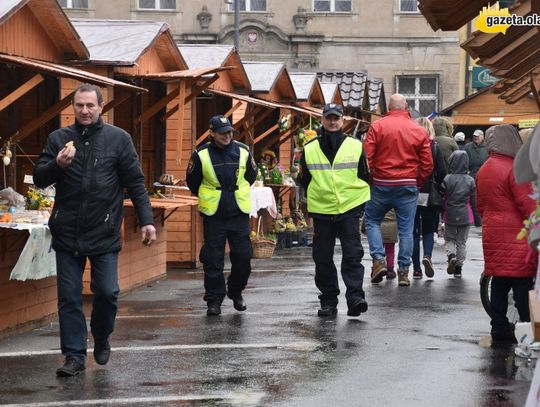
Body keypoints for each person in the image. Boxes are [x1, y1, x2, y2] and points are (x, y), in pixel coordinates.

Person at [33, 83, 156, 377]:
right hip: (66, 232)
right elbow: (39, 178)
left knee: (107, 292)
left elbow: (136, 184)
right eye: (79, 105)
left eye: (90, 106)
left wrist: (147, 220)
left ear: (101, 107)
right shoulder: (59, 139)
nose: (84, 111)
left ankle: (101, 335)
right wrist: (57, 165)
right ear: (72, 108)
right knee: (69, 297)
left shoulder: (118, 139)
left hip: (104, 231)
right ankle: (74, 356)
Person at [298, 103, 370, 317]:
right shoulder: (310, 149)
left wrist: (359, 206)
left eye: (336, 118)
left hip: (349, 207)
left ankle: (355, 298)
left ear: (342, 120)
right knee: (322, 257)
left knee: (352, 254)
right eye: (328, 117)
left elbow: (364, 175)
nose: (332, 121)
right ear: (322, 120)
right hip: (322, 210)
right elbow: (304, 179)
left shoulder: (355, 145)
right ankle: (328, 301)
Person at [186, 115, 257, 317]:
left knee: (243, 257)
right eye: (222, 133)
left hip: (238, 212)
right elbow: (193, 181)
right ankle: (214, 300)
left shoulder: (243, 151)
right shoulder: (201, 154)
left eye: (229, 132)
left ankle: (235, 291)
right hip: (214, 214)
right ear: (212, 133)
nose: (226, 136)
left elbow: (251, 176)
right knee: (213, 259)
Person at [363, 94, 433, 287]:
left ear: (389, 107)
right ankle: (403, 272)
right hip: (407, 185)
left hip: (381, 184)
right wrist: (416, 181)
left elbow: (367, 158)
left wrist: (372, 179)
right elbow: (428, 163)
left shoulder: (377, 126)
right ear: (406, 107)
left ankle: (378, 260)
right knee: (406, 230)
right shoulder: (418, 129)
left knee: (372, 220)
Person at [476, 124, 536, 344]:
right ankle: (526, 328)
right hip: (516, 233)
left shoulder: (484, 169)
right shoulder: (513, 168)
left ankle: (498, 327)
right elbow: (527, 204)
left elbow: (480, 204)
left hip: (492, 232)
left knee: (500, 283)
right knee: (521, 284)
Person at [412, 117, 446, 279]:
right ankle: (427, 256)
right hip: (429, 192)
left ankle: (416, 269)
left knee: (412, 232)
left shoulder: (410, 146)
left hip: (411, 190)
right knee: (427, 230)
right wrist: (437, 186)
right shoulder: (434, 147)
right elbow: (442, 171)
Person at [440, 150, 476, 278]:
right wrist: (477, 219)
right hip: (466, 214)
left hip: (450, 212)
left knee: (449, 238)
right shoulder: (470, 180)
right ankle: (459, 268)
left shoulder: (447, 179)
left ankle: (451, 255)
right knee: (462, 241)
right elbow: (473, 200)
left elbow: (443, 196)